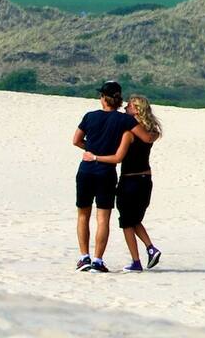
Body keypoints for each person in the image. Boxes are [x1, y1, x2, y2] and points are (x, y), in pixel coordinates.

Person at [84, 94, 164, 272]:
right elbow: (150, 137)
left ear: (136, 110)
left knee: (126, 221)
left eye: (129, 106)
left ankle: (139, 259)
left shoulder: (128, 134)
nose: (125, 108)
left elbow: (117, 158)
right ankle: (149, 250)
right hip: (146, 180)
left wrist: (95, 157)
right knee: (133, 219)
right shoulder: (151, 132)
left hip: (129, 180)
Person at [70, 81, 136, 273]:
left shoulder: (90, 116)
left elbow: (76, 140)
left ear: (103, 98)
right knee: (103, 217)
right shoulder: (124, 120)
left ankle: (84, 257)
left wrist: (92, 148)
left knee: (83, 214)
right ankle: (98, 260)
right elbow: (146, 135)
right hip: (106, 172)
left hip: (86, 169)